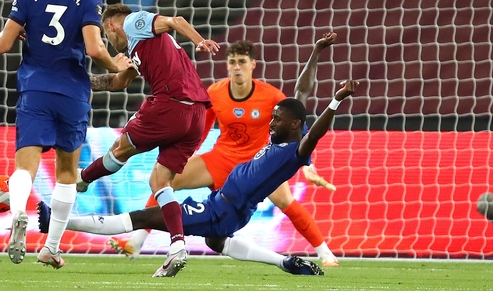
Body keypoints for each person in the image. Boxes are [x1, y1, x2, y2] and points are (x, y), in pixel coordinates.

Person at [39, 79, 359, 275]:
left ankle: (59, 220)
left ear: (294, 125)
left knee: (140, 217)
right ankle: (286, 263)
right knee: (216, 241)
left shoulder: (296, 150)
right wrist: (317, 50)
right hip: (223, 202)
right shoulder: (285, 135)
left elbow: (315, 133)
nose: (270, 123)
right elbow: (301, 91)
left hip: (224, 209)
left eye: (276, 120)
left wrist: (335, 100)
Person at [112, 34, 341, 267]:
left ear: (253, 65)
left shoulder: (271, 96)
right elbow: (200, 128)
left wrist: (308, 166)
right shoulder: (215, 92)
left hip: (257, 164)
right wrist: (186, 154)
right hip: (221, 159)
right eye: (232, 62)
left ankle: (324, 252)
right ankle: (136, 242)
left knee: (286, 202)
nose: (237, 67)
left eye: (242, 61)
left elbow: (298, 125)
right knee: (165, 179)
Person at [0, 0, 132, 269]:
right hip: (72, 91)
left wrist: (25, 30)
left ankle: (17, 217)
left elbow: (2, 45)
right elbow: (93, 47)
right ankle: (51, 247)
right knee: (67, 171)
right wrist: (114, 63)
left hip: (34, 88)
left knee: (25, 164)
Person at [76, 3, 220, 277]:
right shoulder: (137, 49)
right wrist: (78, 80)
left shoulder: (133, 23)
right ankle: (178, 245)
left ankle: (81, 180)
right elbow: (118, 83)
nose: (111, 43)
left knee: (120, 150)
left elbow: (176, 20)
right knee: (160, 182)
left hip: (170, 105)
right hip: (196, 114)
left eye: (108, 37)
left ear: (111, 26)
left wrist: (200, 41)